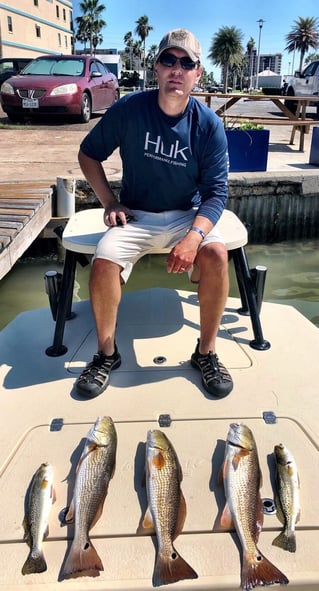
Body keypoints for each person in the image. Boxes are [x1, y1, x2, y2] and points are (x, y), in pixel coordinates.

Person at [75, 28, 233, 399]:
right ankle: (106, 354)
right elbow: (88, 154)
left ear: (198, 74)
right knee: (104, 260)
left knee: (217, 253)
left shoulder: (208, 125)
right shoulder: (129, 110)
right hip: (137, 215)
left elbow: (216, 193)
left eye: (186, 63)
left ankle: (206, 352)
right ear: (156, 68)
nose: (176, 69)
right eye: (168, 60)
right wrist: (109, 202)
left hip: (184, 214)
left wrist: (194, 237)